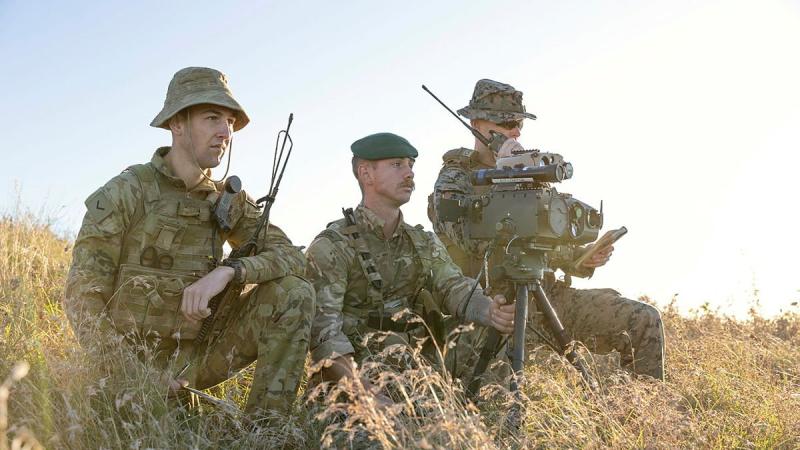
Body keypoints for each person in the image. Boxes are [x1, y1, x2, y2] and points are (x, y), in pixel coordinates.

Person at [64, 66, 314, 415]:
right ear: (177, 124)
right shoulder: (129, 190)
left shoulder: (228, 201)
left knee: (294, 292)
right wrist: (133, 375)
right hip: (129, 366)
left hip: (196, 358)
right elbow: (81, 296)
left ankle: (266, 432)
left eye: (229, 122)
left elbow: (292, 257)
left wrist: (230, 271)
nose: (225, 132)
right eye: (212, 118)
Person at [428, 79, 665, 380]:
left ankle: (644, 418)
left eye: (518, 124)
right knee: (498, 397)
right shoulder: (454, 177)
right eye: (506, 123)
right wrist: (505, 174)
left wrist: (580, 257)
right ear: (477, 124)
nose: (515, 131)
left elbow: (545, 237)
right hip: (492, 308)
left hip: (546, 296)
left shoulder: (529, 170)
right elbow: (470, 239)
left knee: (643, 319)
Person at [305, 132, 515, 398]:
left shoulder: (421, 241)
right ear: (365, 174)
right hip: (356, 369)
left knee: (490, 331)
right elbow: (325, 335)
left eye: (410, 165)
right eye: (397, 165)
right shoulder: (333, 246)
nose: (409, 174)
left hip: (415, 358)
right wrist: (364, 395)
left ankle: (483, 416)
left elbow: (455, 288)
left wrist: (489, 311)